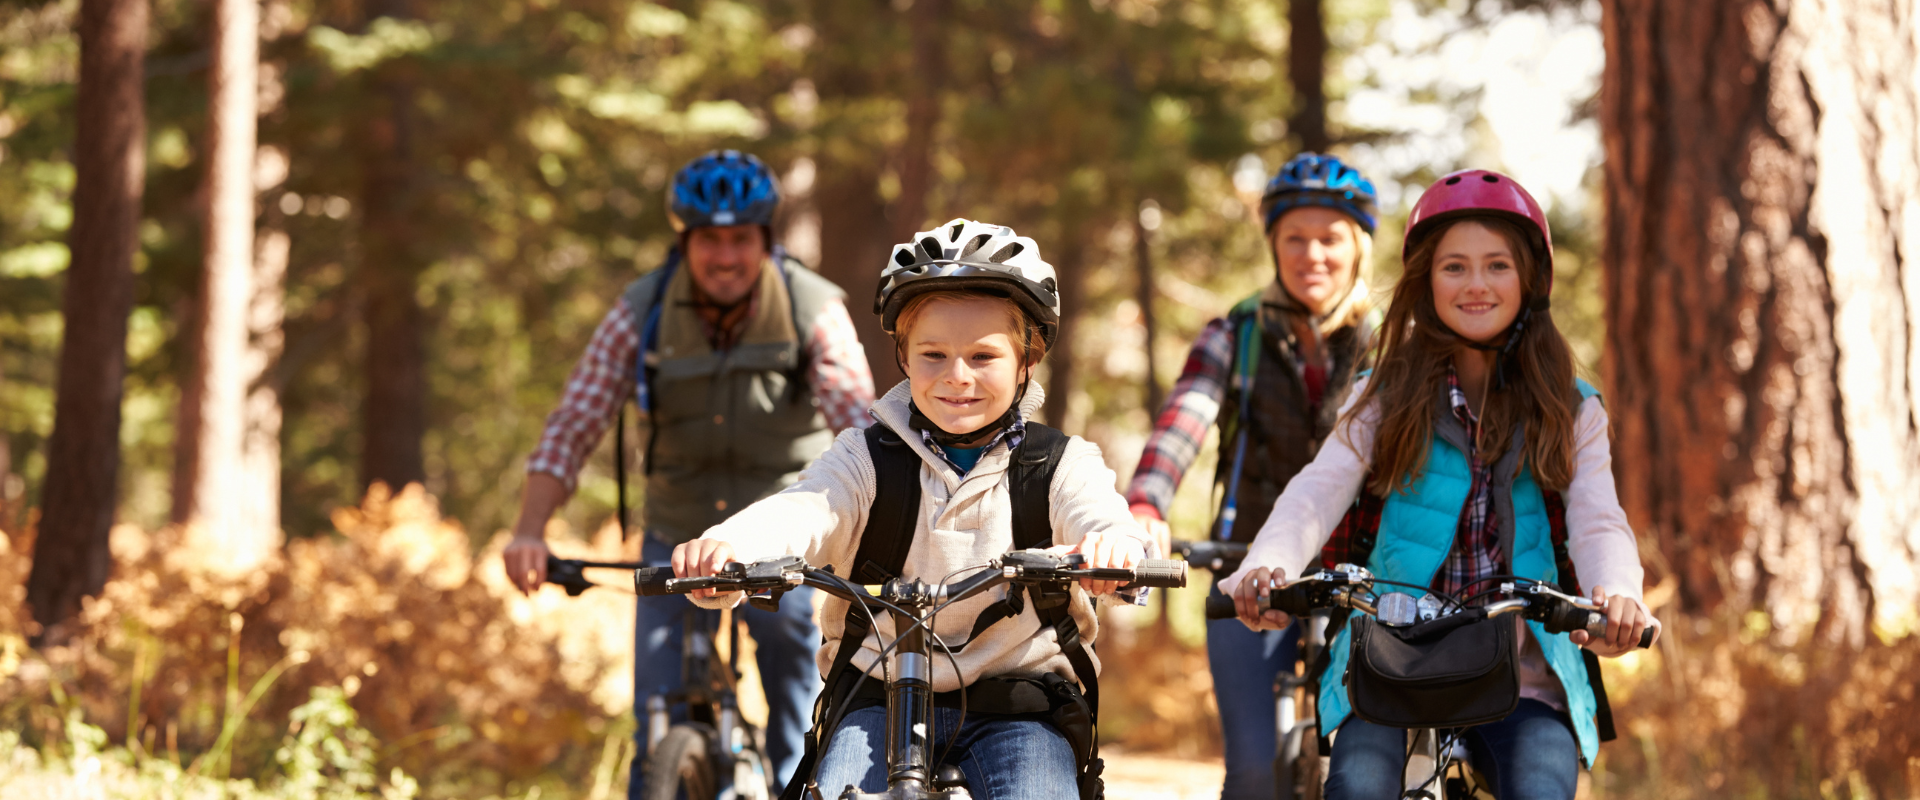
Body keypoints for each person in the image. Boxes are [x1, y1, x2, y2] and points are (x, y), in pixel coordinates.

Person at [673, 219, 1153, 800]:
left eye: (983, 356)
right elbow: (805, 508)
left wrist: (1113, 548)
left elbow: (1101, 517)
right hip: (876, 697)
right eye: (933, 354)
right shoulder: (865, 458)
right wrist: (732, 546)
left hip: (1020, 705)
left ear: (1029, 358)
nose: (957, 377)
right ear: (902, 355)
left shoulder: (1060, 465)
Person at [1223, 169, 1661, 800]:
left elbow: (1598, 518)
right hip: (1387, 658)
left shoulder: (1571, 406)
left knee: (1541, 786)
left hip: (1523, 666)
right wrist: (1267, 563)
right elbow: (1320, 486)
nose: (1476, 284)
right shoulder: (1385, 389)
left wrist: (1618, 595)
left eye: (1497, 266)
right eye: (1454, 267)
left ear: (1529, 279)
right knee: (1358, 786)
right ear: (1427, 281)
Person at [502, 150, 877, 799]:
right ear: (685, 242)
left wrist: (880, 531)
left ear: (766, 239)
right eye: (709, 240)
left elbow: (861, 426)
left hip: (777, 534)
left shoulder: (811, 306)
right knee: (656, 726)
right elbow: (576, 420)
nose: (725, 256)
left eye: (740, 239)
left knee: (801, 700)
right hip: (675, 532)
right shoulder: (641, 310)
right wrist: (530, 529)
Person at [1123, 153, 1379, 800]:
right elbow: (1184, 420)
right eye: (1294, 238)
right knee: (1254, 774)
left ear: (1359, 248)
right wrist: (1146, 505)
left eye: (1330, 238)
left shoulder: (1392, 341)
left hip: (1365, 573)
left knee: (1368, 769)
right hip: (1246, 567)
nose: (1311, 254)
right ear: (1272, 245)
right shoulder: (1235, 333)